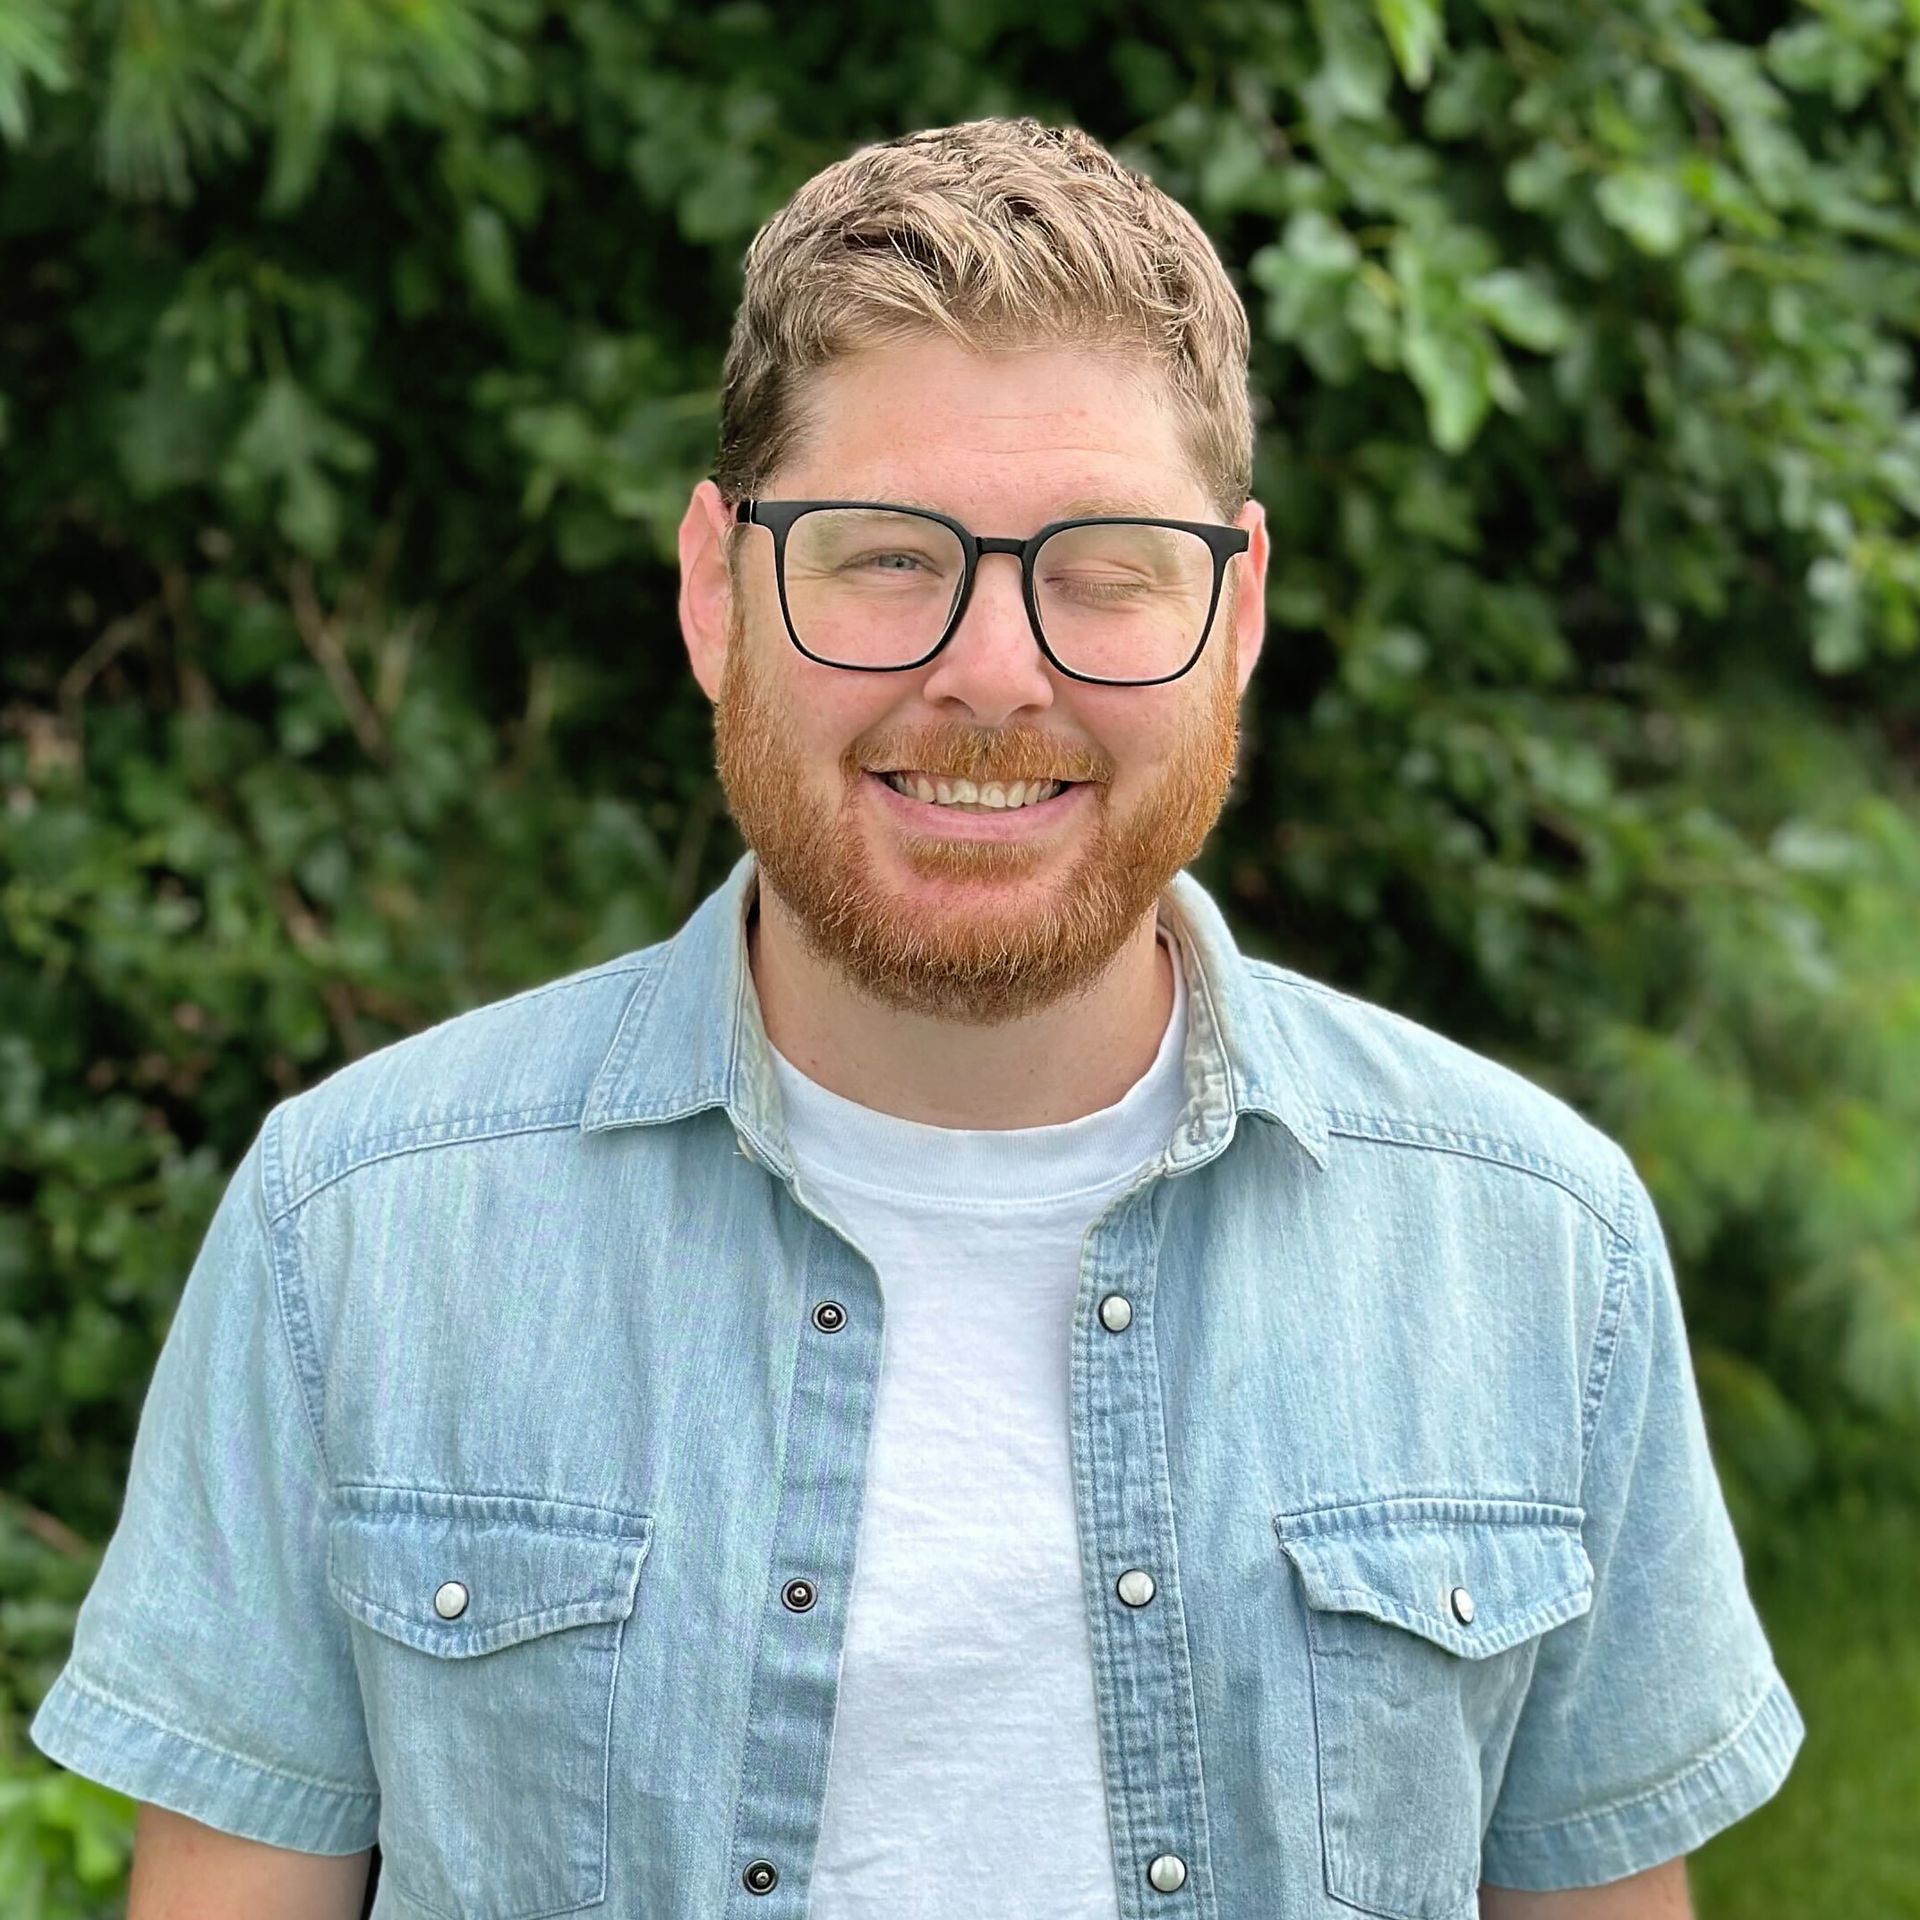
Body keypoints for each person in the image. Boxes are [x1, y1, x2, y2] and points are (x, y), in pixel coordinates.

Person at [31, 117, 1803, 1920]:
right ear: (718, 592)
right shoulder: (356, 1235)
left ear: (1238, 613)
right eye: (885, 556)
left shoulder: (1536, 1251)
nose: (993, 672)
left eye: (1108, 569)